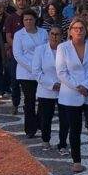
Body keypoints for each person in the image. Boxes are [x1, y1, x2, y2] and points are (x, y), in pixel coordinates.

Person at [56, 18, 88, 175]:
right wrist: (78, 87)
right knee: (74, 128)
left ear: (86, 31)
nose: (78, 31)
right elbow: (61, 72)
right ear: (70, 31)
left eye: (81, 28)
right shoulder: (63, 47)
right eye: (75, 28)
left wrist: (87, 85)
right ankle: (76, 161)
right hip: (71, 93)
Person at [32, 26, 69, 154]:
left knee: (65, 118)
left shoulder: (67, 50)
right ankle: (46, 140)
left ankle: (63, 143)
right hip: (46, 89)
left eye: (57, 34)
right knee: (45, 117)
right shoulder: (40, 50)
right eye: (52, 34)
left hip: (64, 89)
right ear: (48, 35)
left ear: (62, 36)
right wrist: (53, 85)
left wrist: (64, 84)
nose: (54, 36)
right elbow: (36, 71)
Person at [13, 9, 47, 136]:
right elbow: (18, 54)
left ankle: (40, 123)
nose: (28, 22)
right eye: (25, 20)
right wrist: (33, 67)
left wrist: (41, 66)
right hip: (26, 72)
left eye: (30, 19)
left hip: (43, 70)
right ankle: (30, 129)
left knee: (44, 100)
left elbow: (46, 49)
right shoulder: (18, 35)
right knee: (29, 100)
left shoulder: (43, 32)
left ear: (35, 20)